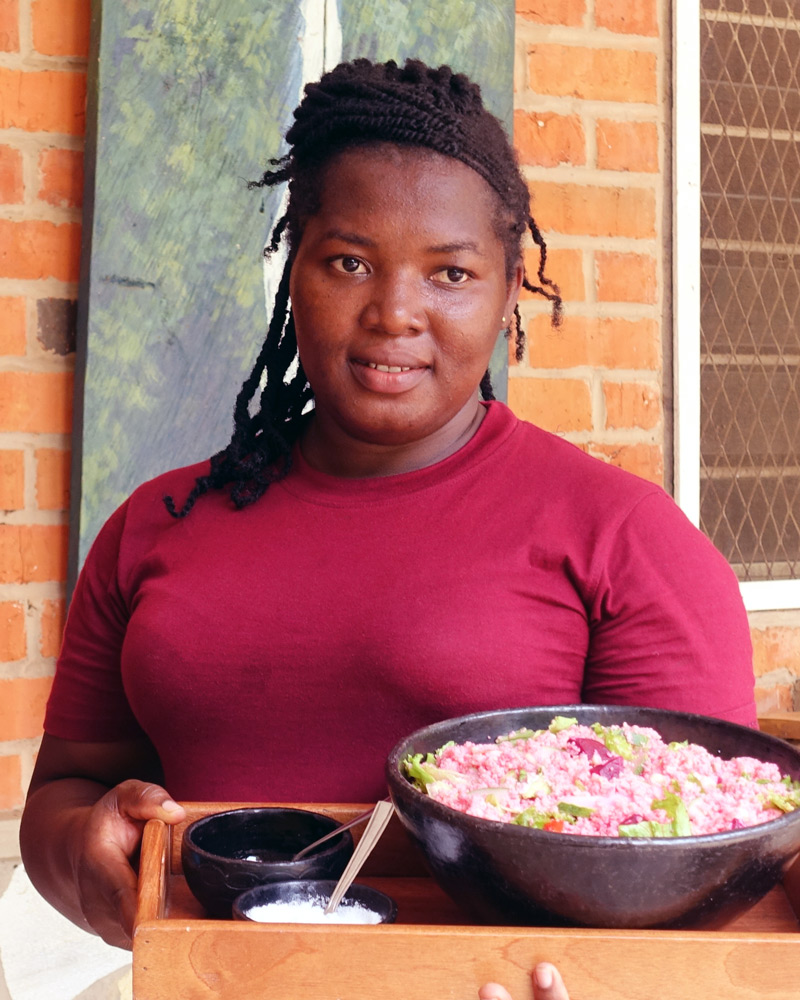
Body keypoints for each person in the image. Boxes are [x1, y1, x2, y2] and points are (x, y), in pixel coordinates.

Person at [20, 58, 756, 1000]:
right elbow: (65, 793)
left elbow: (715, 872)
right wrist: (87, 856)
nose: (395, 312)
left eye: (450, 272)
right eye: (350, 261)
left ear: (506, 298)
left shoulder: (624, 539)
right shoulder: (155, 527)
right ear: (295, 272)